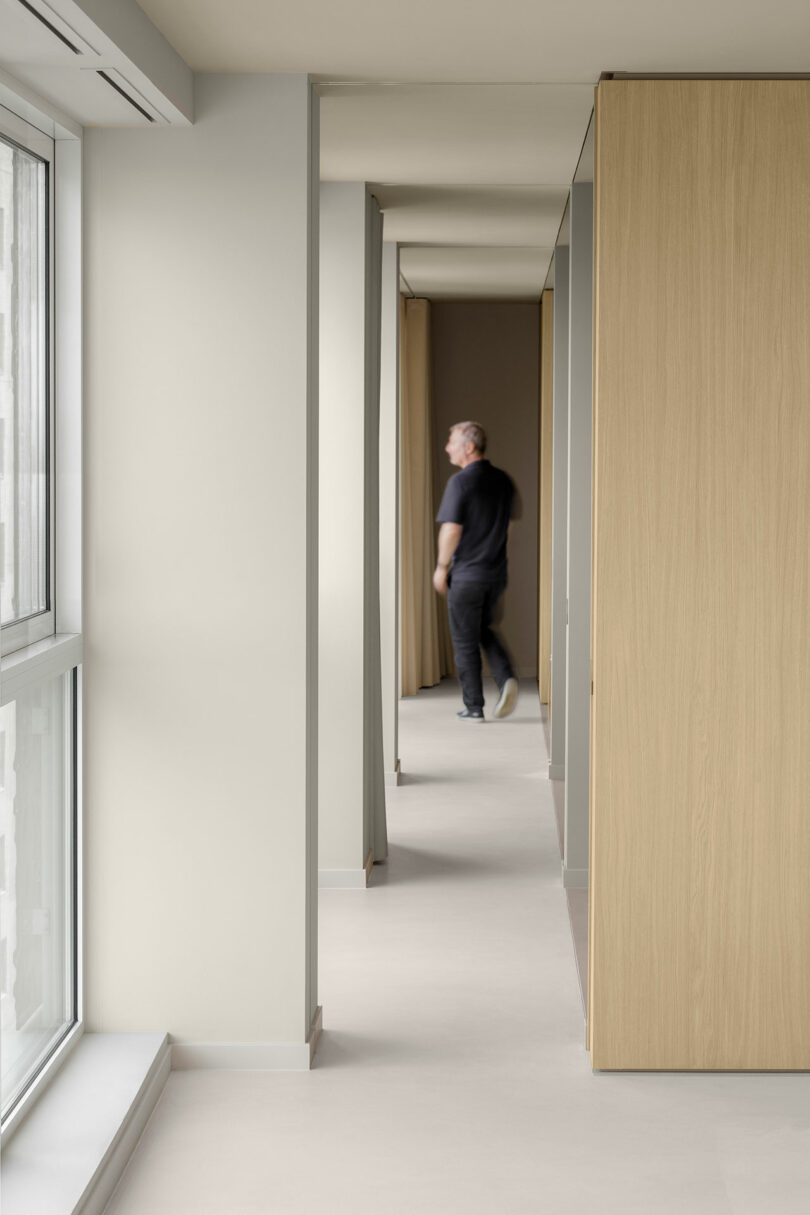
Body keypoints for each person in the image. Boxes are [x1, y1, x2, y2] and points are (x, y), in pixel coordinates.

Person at [433, 420, 519, 722]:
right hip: (496, 575)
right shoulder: (503, 481)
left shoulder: (460, 482)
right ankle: (506, 676)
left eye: (451, 441)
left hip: (468, 575)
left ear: (469, 447)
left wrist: (442, 567)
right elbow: (507, 525)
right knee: (483, 629)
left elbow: (452, 529)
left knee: (464, 640)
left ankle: (473, 707)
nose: (447, 447)